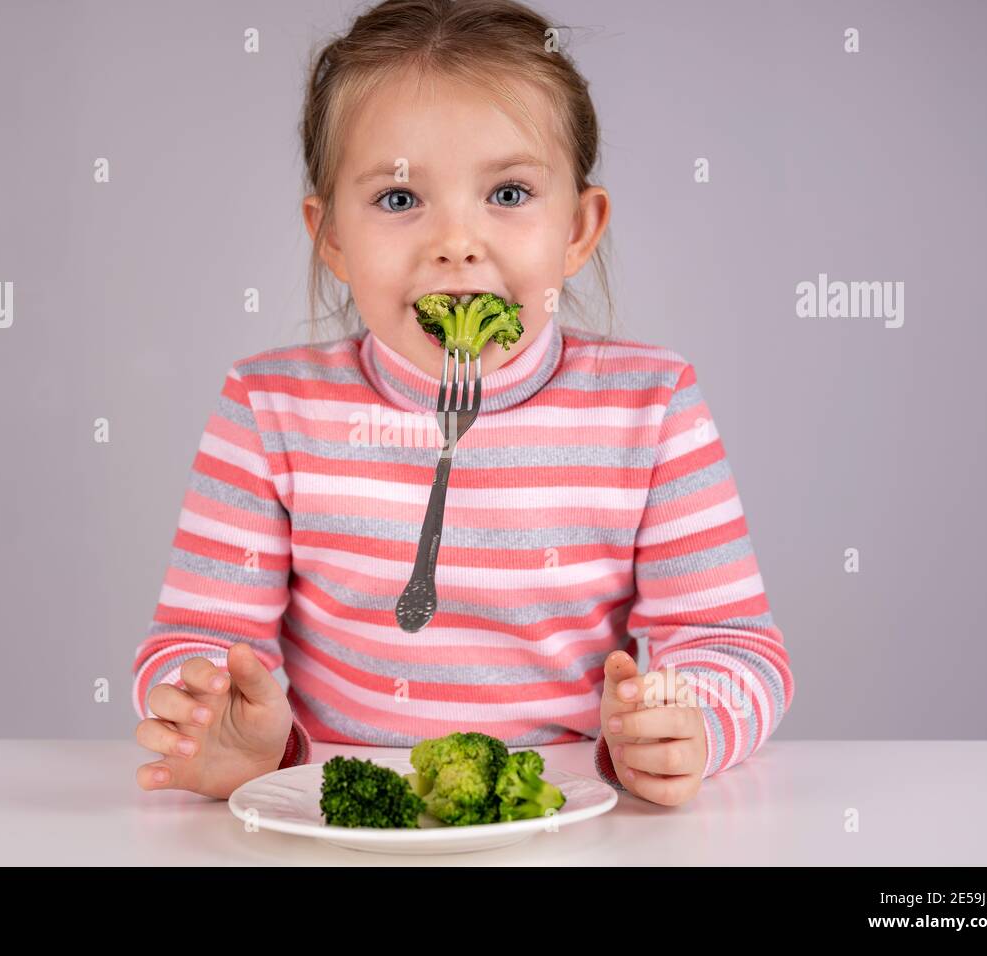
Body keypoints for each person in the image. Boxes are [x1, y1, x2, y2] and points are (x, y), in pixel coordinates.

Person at [133, 0, 793, 808]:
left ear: (579, 230)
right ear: (331, 236)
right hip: (331, 815)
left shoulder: (648, 407)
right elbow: (197, 643)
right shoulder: (270, 408)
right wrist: (227, 726)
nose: (456, 240)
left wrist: (683, 721)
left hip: (568, 817)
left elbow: (734, 647)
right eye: (399, 200)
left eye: (509, 194)